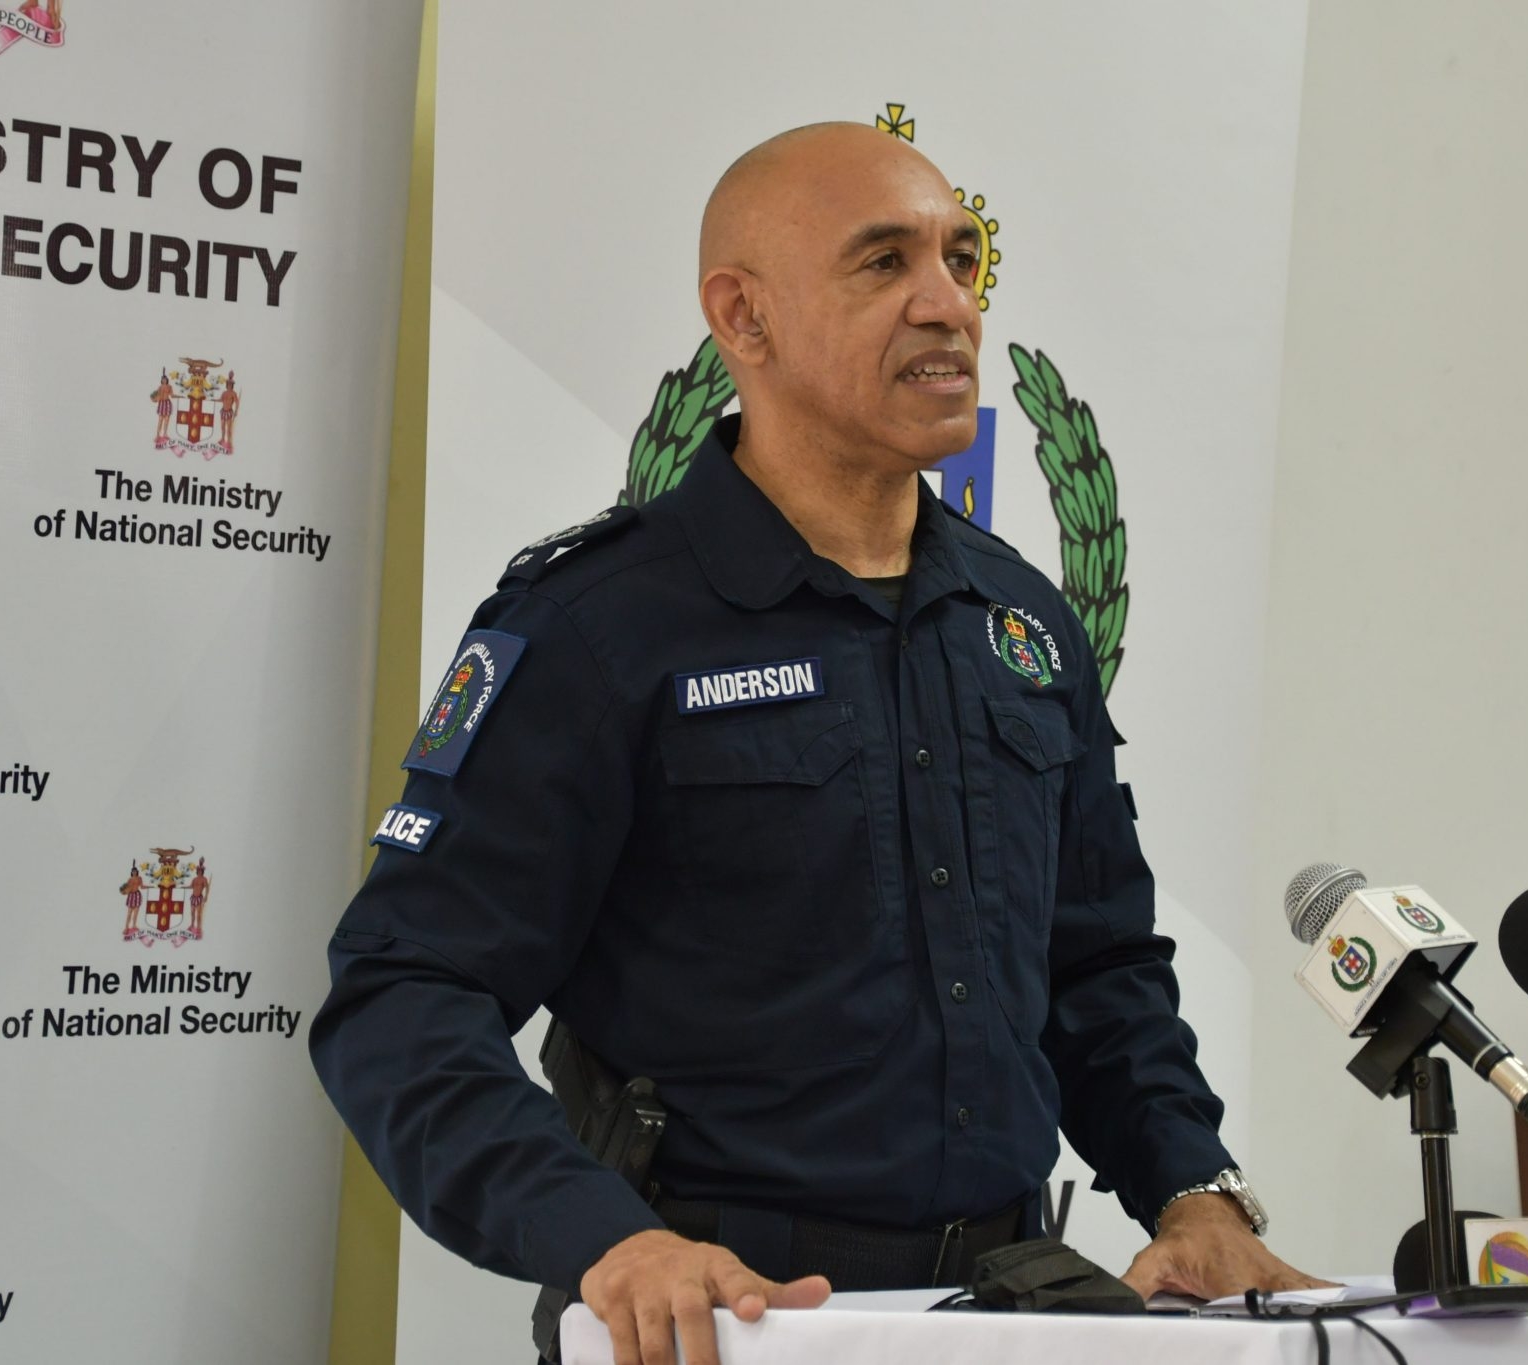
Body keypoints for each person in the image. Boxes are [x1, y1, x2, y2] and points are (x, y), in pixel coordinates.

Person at [310, 123, 1320, 1365]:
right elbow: (402, 994)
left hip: (1011, 1315)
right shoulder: (594, 628)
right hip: (731, 1324)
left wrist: (1190, 1188)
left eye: (960, 260)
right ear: (743, 319)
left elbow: (1096, 964)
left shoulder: (1021, 621)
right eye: (881, 263)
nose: (946, 305)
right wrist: (601, 1240)